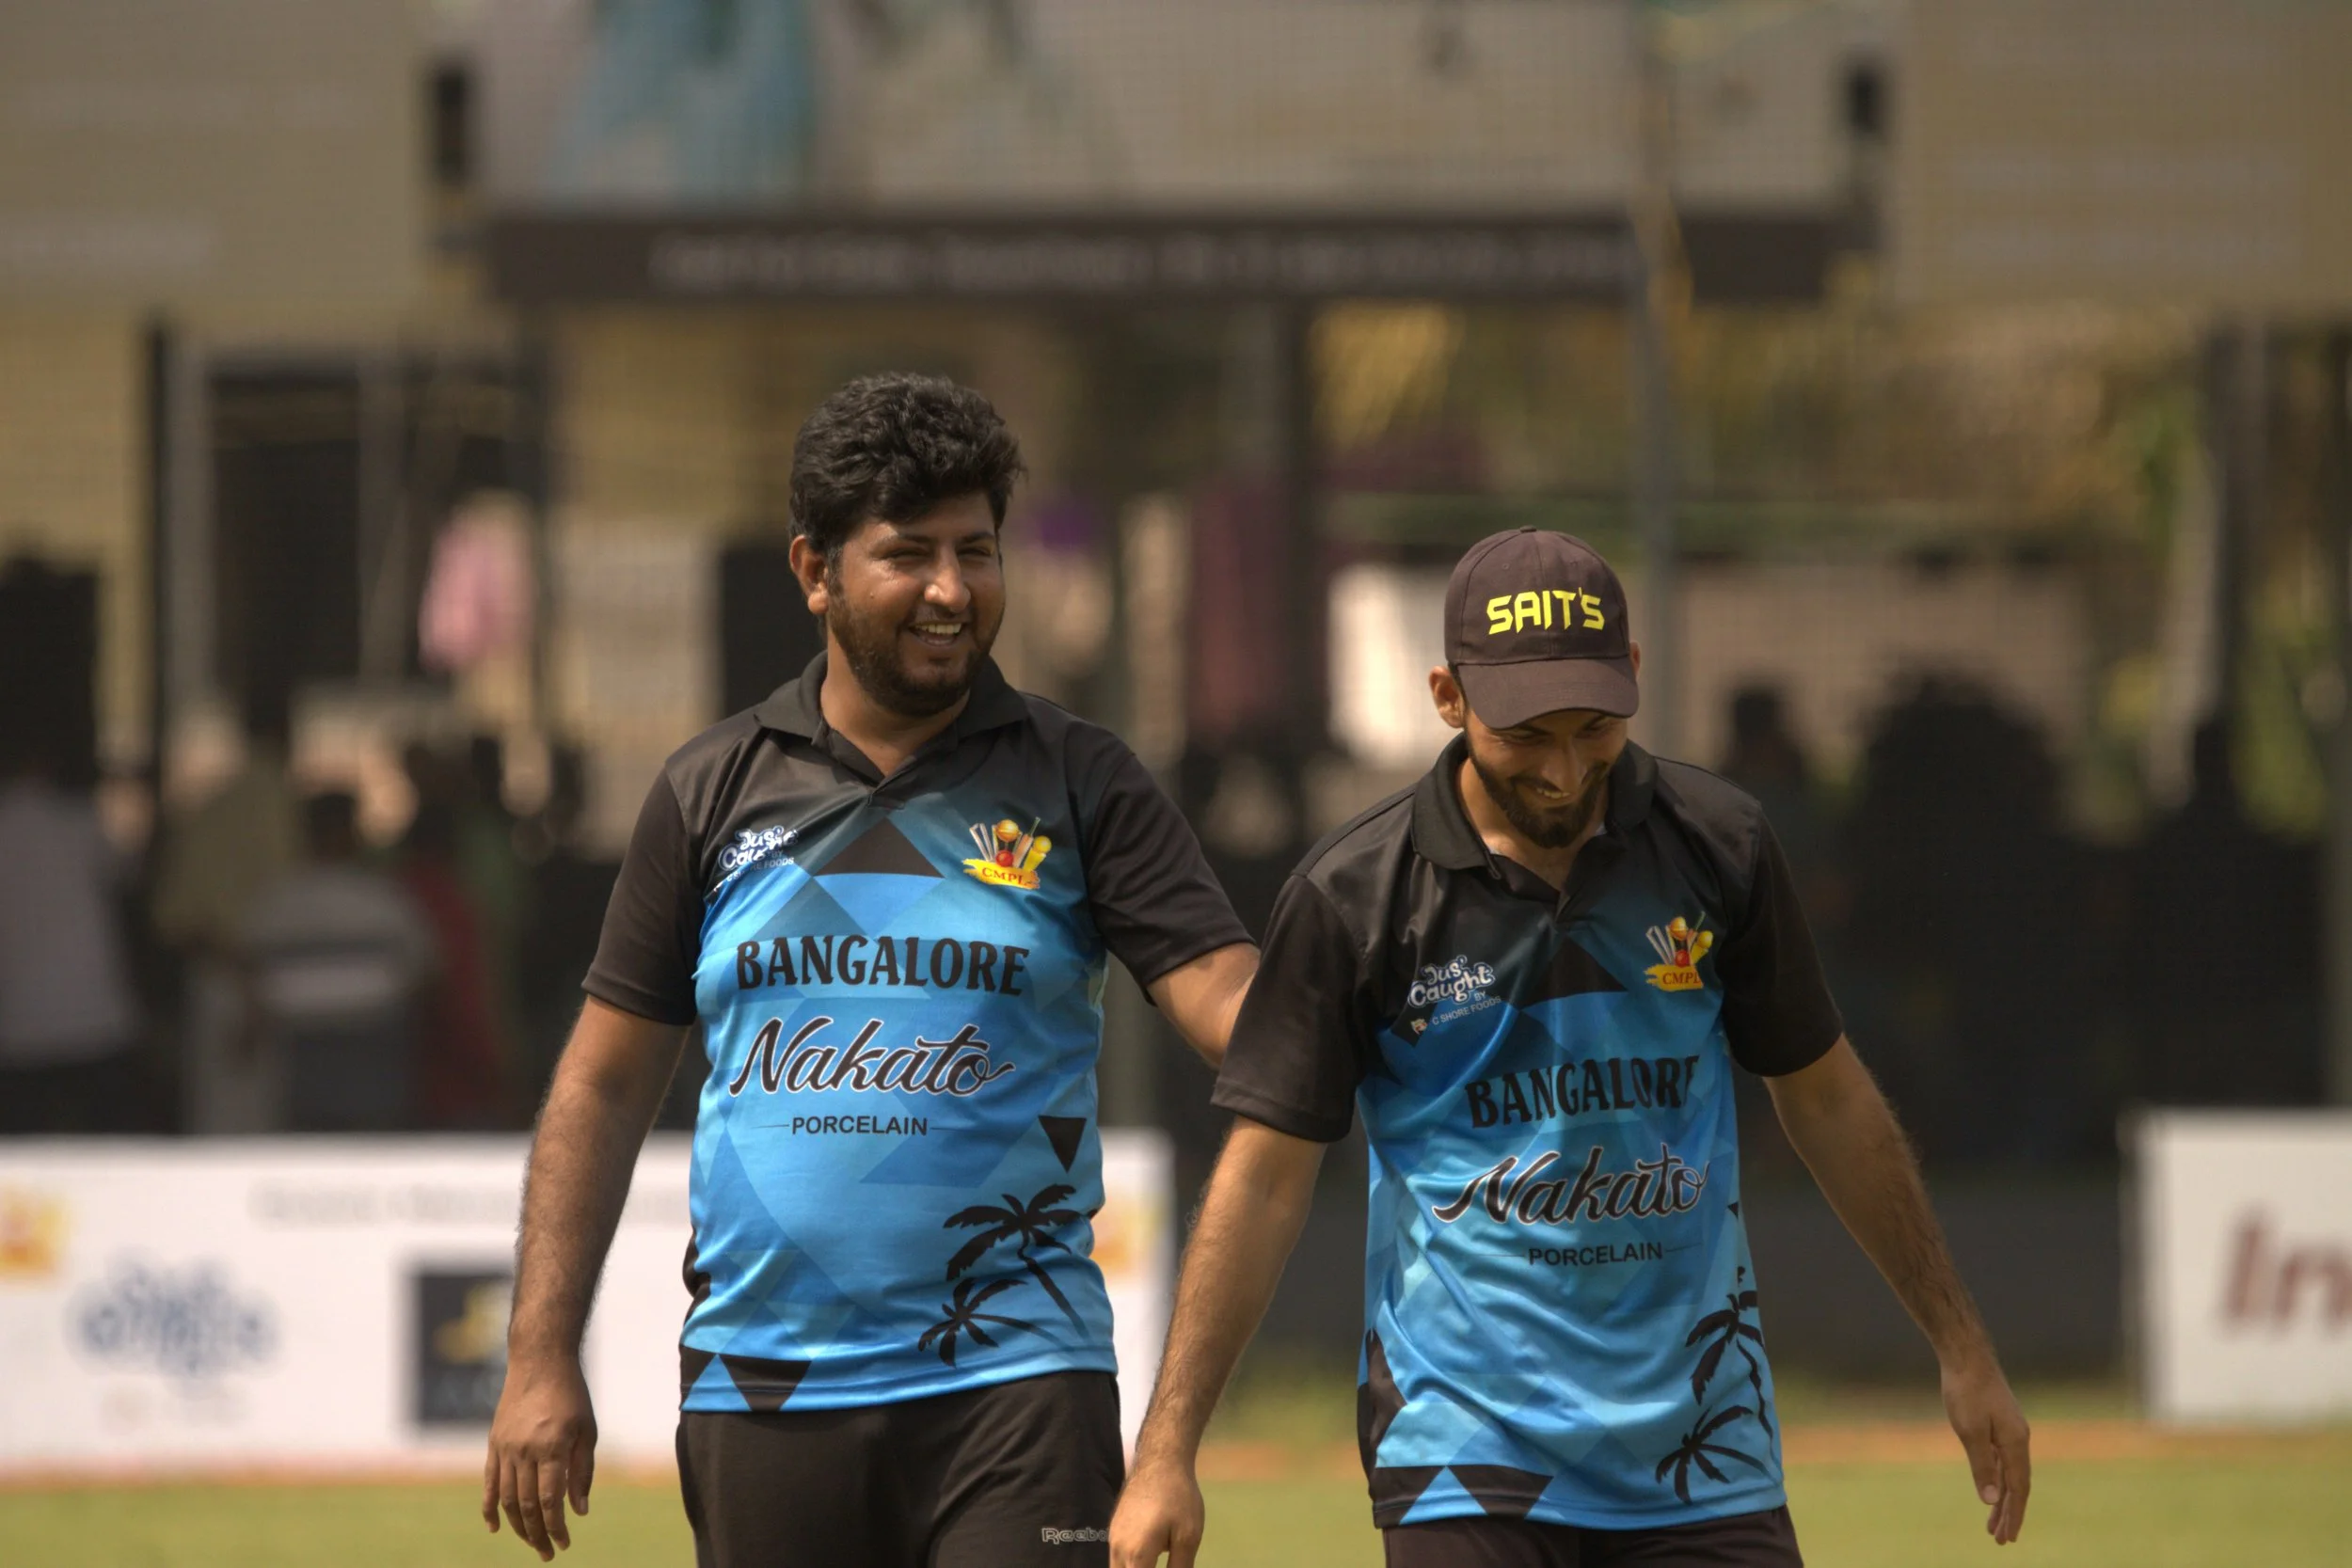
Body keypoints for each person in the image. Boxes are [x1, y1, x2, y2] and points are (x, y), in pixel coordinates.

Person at [1110, 530, 2031, 1568]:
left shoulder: (1718, 845)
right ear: (1448, 698)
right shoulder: (1352, 897)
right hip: (1463, 1455)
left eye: (1593, 727)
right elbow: (1266, 1176)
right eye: (1526, 733)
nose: (1562, 769)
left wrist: (1961, 1345)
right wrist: (1165, 1450)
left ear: (1634, 675)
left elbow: (1825, 1098)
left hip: (1700, 1453)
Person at [482, 374, 1259, 1566]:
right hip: (764, 1383)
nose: (952, 589)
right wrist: (540, 1356)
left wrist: (1399, 1015)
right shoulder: (709, 790)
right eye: (909, 554)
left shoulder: (1081, 778)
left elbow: (1235, 1010)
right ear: (814, 570)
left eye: (976, 551)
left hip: (1020, 1378)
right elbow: (600, 1083)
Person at [240, 792, 436, 1131]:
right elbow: (426, 972)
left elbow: (250, 978)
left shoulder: (276, 903)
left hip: (315, 1058)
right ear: (354, 833)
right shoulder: (386, 900)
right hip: (363, 1058)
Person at [0, 741, 144, 1132]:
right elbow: (129, 872)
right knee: (107, 1148)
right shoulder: (80, 824)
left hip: (17, 1026)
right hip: (93, 1016)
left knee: (24, 1158)